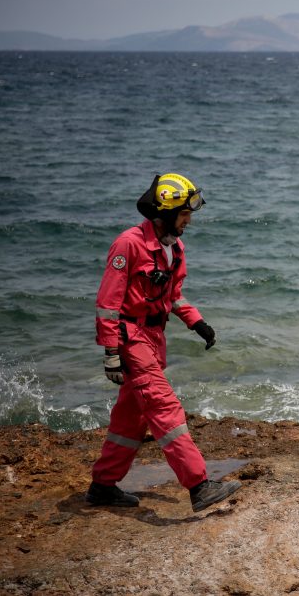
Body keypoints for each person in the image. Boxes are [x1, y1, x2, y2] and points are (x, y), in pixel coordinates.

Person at [87, 173, 241, 512]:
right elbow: (108, 303)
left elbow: (173, 296)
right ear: (166, 212)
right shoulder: (128, 244)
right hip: (132, 341)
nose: (188, 221)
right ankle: (199, 485)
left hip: (154, 340)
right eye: (185, 214)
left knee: (131, 419)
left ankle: (102, 486)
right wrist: (111, 351)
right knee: (163, 406)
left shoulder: (174, 248)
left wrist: (197, 322)